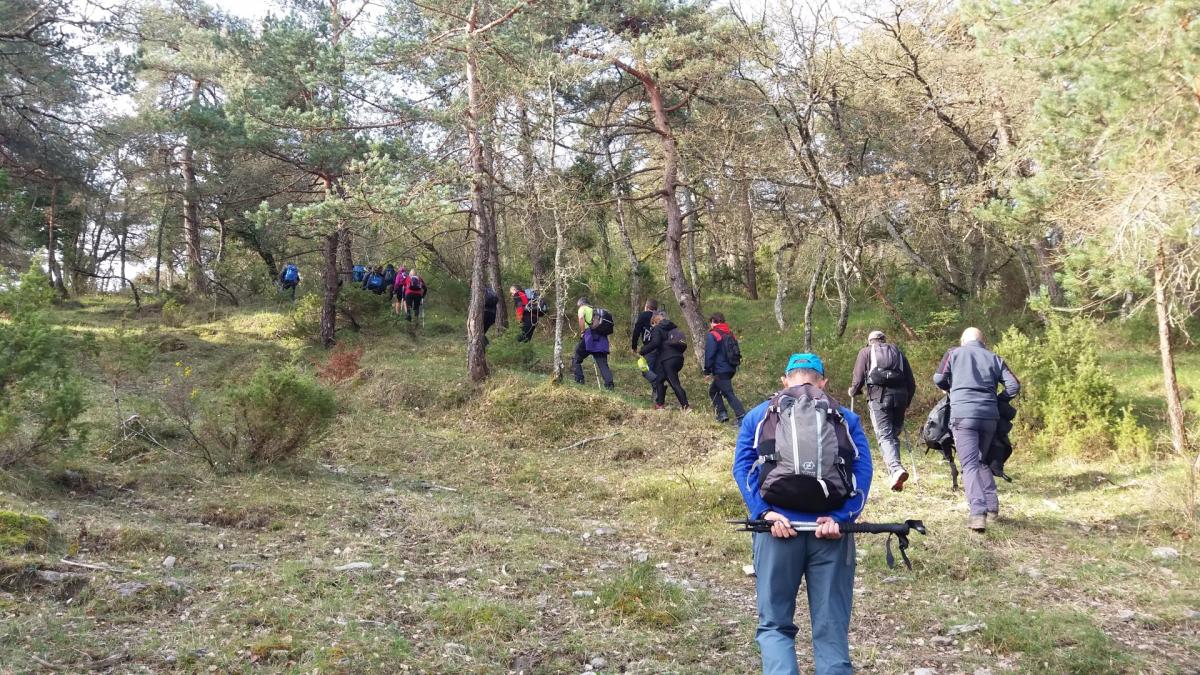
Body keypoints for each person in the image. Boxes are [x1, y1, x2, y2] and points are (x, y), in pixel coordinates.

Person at [732, 353, 872, 675]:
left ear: (785, 380)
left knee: (775, 626)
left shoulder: (758, 416)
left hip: (776, 532)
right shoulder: (845, 418)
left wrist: (764, 513)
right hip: (831, 533)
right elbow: (863, 472)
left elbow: (741, 468)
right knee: (831, 629)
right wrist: (843, 516)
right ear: (822, 381)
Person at [933, 327, 1021, 532]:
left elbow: (938, 378)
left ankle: (977, 514)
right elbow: (1014, 386)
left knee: (970, 464)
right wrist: (998, 400)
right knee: (982, 460)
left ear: (963, 340)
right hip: (989, 417)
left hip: (963, 415)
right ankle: (992, 508)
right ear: (983, 341)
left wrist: (951, 389)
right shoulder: (994, 358)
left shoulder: (953, 353)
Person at [848, 330, 917, 492]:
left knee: (885, 436)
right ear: (884, 340)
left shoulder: (866, 352)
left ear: (869, 341)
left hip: (879, 398)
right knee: (892, 435)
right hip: (900, 398)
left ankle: (895, 468)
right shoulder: (898, 352)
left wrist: (853, 391)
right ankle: (895, 473)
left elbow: (858, 378)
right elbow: (911, 382)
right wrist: (906, 401)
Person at [639, 310, 689, 410]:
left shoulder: (658, 328)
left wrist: (643, 350)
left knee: (674, 383)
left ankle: (686, 407)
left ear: (656, 321)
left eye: (652, 323)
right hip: (678, 358)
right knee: (659, 379)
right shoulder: (672, 328)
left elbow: (656, 343)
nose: (652, 326)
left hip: (668, 359)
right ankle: (660, 405)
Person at [704, 312, 746, 424]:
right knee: (714, 391)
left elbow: (710, 353)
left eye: (711, 322)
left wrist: (707, 370)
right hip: (731, 367)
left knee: (728, 393)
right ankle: (722, 414)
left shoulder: (713, 334)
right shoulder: (729, 333)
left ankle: (742, 417)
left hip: (720, 369)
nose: (710, 325)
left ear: (713, 322)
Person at [572, 297, 614, 389]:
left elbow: (581, 318)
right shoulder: (595, 311)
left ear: (581, 304)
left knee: (576, 358)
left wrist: (582, 332)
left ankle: (579, 380)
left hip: (589, 337)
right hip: (602, 339)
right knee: (603, 364)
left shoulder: (582, 308)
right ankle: (610, 385)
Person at [631, 299, 659, 389]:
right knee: (655, 370)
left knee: (645, 370)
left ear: (646, 306)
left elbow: (636, 331)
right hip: (661, 347)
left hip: (649, 347)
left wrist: (634, 346)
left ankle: (658, 386)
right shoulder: (660, 316)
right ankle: (657, 396)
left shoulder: (643, 315)